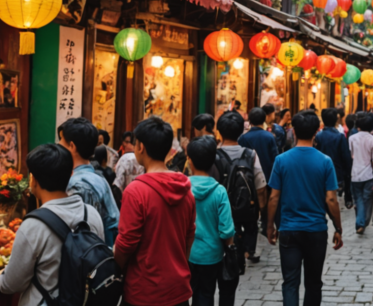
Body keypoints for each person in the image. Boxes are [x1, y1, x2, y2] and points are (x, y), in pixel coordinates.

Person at [0, 144, 105, 306]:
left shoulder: (32, 225)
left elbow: (11, 284)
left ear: (33, 180)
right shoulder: (91, 214)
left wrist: (1, 276)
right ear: (70, 174)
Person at [114, 116, 197, 306]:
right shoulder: (185, 188)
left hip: (144, 291)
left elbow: (126, 242)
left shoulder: (136, 191)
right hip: (178, 288)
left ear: (140, 147)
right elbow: (189, 235)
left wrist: (117, 266)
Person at [266, 112, 344, 306]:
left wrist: (269, 225)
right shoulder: (325, 161)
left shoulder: (281, 160)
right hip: (316, 229)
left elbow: (274, 197)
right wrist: (338, 228)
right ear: (316, 131)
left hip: (289, 229)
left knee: (290, 283)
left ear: (294, 130)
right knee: (313, 283)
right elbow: (331, 200)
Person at [186, 136, 238, 306]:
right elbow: (226, 230)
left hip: (186, 253)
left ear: (189, 161)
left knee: (188, 293)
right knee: (206, 294)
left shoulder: (182, 189)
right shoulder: (219, 191)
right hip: (212, 255)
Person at [217, 111, 269, 264]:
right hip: (247, 203)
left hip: (222, 205)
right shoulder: (250, 154)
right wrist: (261, 207)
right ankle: (248, 251)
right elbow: (260, 184)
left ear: (219, 131)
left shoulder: (214, 154)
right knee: (249, 227)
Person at [59, 117, 120, 246]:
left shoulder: (80, 185)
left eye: (61, 140)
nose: (58, 144)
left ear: (72, 146)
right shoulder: (97, 178)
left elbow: (83, 236)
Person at [348, 112, 373, 234]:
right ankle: (363, 222)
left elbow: (351, 155)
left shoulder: (351, 138)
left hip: (355, 174)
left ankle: (361, 222)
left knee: (359, 199)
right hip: (368, 174)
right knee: (367, 199)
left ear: (358, 126)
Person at [314, 108, 352, 208]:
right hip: (337, 172)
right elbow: (346, 157)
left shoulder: (318, 136)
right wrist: (347, 172)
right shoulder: (340, 137)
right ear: (336, 120)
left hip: (320, 171)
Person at [238, 107, 280, 180]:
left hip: (249, 177)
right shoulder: (270, 136)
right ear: (264, 120)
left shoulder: (243, 137)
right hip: (268, 176)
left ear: (250, 121)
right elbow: (275, 158)